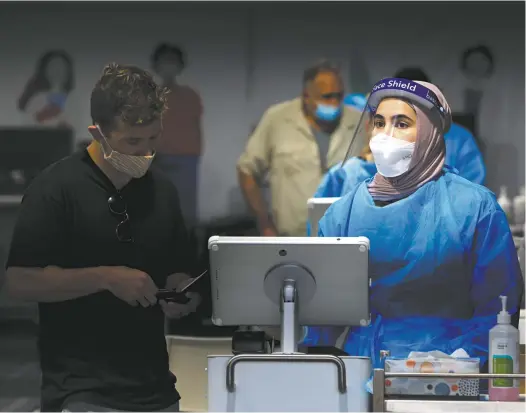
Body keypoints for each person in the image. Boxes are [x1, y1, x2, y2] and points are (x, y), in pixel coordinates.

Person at [4, 63, 201, 412]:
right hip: (82, 390)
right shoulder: (55, 189)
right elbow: (19, 282)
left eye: (153, 139)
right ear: (99, 135)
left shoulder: (163, 193)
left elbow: (176, 269)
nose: (145, 153)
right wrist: (105, 278)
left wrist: (182, 293)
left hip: (156, 388)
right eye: (133, 142)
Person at [304, 78, 523, 371]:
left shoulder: (474, 207)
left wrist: (461, 361)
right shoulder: (342, 214)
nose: (385, 135)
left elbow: (498, 307)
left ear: (430, 132)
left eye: (402, 123)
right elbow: (322, 316)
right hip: (361, 370)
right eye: (379, 123)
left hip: (450, 369)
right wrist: (320, 371)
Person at [237, 60, 364, 237]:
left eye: (339, 96)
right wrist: (264, 223)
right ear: (306, 96)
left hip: (344, 236)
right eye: (327, 97)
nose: (334, 102)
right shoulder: (277, 119)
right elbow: (247, 170)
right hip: (290, 237)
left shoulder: (359, 122)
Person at [151, 43, 203, 228]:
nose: (168, 66)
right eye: (164, 62)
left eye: (172, 62)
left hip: (185, 160)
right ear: (156, 66)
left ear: (180, 66)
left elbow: (196, 128)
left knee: (185, 215)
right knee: (156, 213)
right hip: (155, 160)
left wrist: (194, 154)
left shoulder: (190, 96)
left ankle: (186, 253)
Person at [17, 50, 75, 128]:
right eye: (53, 67)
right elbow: (29, 124)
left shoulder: (74, 99)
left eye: (61, 67)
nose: (57, 71)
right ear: (45, 70)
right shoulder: (37, 99)